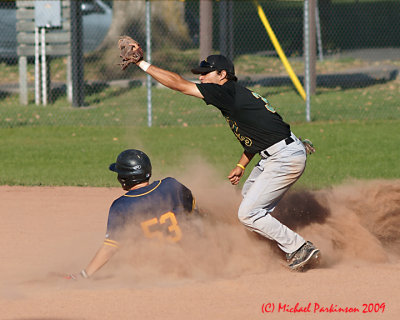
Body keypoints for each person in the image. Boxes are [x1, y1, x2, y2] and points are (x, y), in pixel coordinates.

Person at [130, 53, 320, 271]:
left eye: (205, 73)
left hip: (283, 157)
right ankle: (275, 244)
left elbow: (179, 85)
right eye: (199, 75)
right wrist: (241, 165)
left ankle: (299, 248)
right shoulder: (236, 95)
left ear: (222, 75)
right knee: (248, 200)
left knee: (249, 213)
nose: (201, 78)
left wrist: (141, 63)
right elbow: (260, 133)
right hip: (280, 152)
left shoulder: (226, 91)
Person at [67, 149, 196, 280]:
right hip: (193, 257)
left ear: (123, 179)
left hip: (159, 267)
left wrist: (84, 274)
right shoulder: (171, 185)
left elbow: (110, 247)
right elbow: (191, 210)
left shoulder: (122, 205)